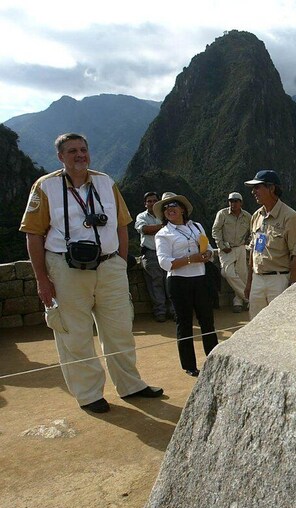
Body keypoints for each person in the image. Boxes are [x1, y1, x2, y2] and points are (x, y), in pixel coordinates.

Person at [19, 133, 163, 413]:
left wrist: (120, 261)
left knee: (120, 329)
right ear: (60, 157)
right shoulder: (45, 187)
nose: (80, 155)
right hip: (66, 269)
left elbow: (122, 225)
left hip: (109, 265)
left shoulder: (105, 182)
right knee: (75, 334)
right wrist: (42, 279)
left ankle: (130, 384)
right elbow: (33, 234)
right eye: (72, 151)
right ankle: (89, 394)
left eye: (83, 149)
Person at [154, 193, 219, 377]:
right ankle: (190, 365)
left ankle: (213, 359)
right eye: (165, 207)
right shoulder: (163, 234)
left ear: (183, 208)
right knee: (184, 323)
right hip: (179, 281)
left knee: (207, 320)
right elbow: (165, 263)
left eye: (173, 205)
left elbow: (209, 248)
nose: (169, 209)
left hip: (201, 278)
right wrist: (192, 259)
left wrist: (208, 255)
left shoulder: (196, 226)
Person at [243, 170, 296, 319]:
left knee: (279, 325)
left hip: (279, 281)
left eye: (257, 187)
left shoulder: (290, 217)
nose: (253, 192)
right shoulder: (256, 216)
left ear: (271, 188)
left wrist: (292, 287)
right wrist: (249, 282)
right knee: (256, 325)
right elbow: (253, 250)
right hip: (258, 280)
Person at [135, 191, 174, 322]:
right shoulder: (142, 216)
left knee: (170, 281)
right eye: (149, 201)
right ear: (145, 204)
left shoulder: (164, 213)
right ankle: (160, 311)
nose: (152, 203)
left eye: (154, 201)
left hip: (168, 252)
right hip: (151, 253)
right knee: (156, 283)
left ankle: (173, 310)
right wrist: (163, 226)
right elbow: (144, 229)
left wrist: (157, 228)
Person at [212, 191, 251, 313]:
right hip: (226, 248)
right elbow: (216, 230)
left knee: (242, 274)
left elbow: (253, 231)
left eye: (235, 201)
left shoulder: (247, 216)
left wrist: (248, 243)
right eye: (231, 201)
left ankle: (238, 302)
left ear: (241, 203)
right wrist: (221, 245)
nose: (233, 203)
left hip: (240, 247)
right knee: (228, 273)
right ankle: (249, 298)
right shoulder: (222, 214)